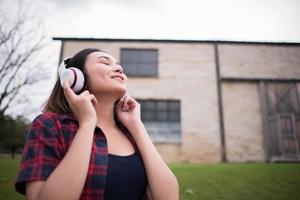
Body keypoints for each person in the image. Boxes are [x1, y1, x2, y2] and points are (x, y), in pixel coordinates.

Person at [14, 48, 179, 200]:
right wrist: (87, 124)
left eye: (119, 66)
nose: (119, 69)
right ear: (75, 77)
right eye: (105, 62)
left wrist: (137, 125)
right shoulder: (50, 125)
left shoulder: (131, 133)